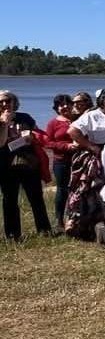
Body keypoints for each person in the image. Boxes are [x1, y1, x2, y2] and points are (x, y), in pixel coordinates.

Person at [65, 88, 105, 238]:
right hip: (98, 154)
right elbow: (72, 131)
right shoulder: (92, 116)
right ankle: (85, 224)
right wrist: (90, 146)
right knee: (92, 189)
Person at [0, 91, 52, 239]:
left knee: (36, 198)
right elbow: (1, 143)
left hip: (29, 163)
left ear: (14, 102)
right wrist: (4, 123)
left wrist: (32, 136)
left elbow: (38, 134)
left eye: (8, 100)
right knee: (10, 200)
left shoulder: (25, 117)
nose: (5, 104)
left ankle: (44, 231)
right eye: (1, 102)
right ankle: (13, 235)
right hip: (6, 166)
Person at [43, 93, 79, 226]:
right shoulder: (53, 123)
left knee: (78, 189)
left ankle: (75, 218)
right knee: (62, 190)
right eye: (61, 105)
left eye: (67, 103)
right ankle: (59, 220)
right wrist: (66, 146)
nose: (65, 106)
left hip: (79, 161)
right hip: (61, 161)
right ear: (57, 108)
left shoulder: (78, 119)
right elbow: (48, 143)